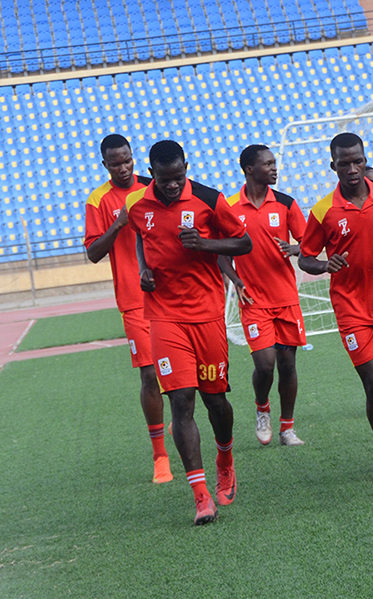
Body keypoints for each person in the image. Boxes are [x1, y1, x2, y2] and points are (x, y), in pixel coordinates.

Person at [122, 140, 253, 525]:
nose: (172, 185)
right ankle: (200, 497)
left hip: (207, 314)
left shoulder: (209, 200)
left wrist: (206, 244)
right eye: (164, 179)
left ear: (186, 168)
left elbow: (243, 243)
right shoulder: (137, 204)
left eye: (178, 177)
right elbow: (140, 236)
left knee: (216, 401)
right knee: (181, 401)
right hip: (164, 316)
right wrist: (144, 269)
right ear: (152, 173)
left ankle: (225, 458)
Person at [299, 133, 373, 483]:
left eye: (357, 161)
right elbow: (305, 257)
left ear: (365, 161)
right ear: (332, 165)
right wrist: (325, 265)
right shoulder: (323, 210)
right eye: (344, 163)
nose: (352, 169)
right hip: (352, 310)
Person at [83, 134, 170, 484]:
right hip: (134, 302)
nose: (123, 168)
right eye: (115, 163)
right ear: (105, 165)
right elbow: (93, 253)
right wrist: (118, 222)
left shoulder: (154, 187)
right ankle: (160, 455)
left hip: (170, 294)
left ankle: (185, 427)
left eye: (127, 161)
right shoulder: (98, 200)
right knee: (149, 375)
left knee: (184, 373)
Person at [219, 144, 308, 447]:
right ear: (249, 169)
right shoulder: (230, 207)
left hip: (286, 298)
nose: (274, 168)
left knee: (288, 365)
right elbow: (221, 254)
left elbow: (308, 243)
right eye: (267, 164)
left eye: (274, 163)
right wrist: (235, 280)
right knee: (265, 365)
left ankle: (287, 428)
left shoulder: (285, 204)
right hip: (253, 300)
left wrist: (295, 248)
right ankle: (262, 408)